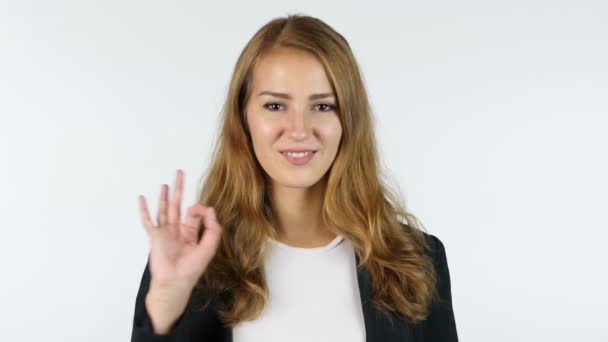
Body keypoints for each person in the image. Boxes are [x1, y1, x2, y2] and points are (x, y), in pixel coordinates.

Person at [131, 14, 458, 342]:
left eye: (323, 106)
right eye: (274, 106)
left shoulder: (416, 260)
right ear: (243, 119)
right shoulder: (192, 259)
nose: (299, 130)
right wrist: (164, 305)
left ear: (350, 120)